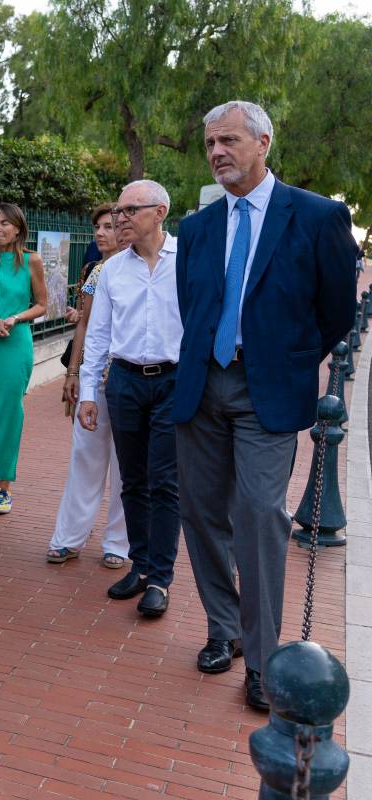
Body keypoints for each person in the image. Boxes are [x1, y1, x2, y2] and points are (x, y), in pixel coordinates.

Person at [172, 101, 358, 711]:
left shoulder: (317, 216)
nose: (218, 152)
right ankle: (222, 629)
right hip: (202, 386)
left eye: (228, 141)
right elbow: (192, 306)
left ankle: (261, 658)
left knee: (258, 514)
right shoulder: (197, 228)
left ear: (264, 143)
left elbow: (336, 309)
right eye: (209, 145)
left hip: (267, 390)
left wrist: (293, 358)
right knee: (200, 515)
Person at [78, 180, 181, 620]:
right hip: (124, 382)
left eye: (128, 210)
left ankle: (160, 577)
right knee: (132, 481)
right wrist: (87, 392)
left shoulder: (187, 261)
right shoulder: (113, 271)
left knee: (165, 482)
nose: (119, 219)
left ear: (158, 212)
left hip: (173, 383)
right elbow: (97, 335)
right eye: (117, 212)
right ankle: (140, 565)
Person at [48, 204, 128, 568]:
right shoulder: (97, 272)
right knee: (85, 457)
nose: (101, 233)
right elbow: (84, 325)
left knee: (126, 466)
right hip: (96, 379)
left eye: (109, 227)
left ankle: (118, 544)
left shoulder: (148, 268)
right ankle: (69, 538)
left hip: (131, 382)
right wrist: (73, 373)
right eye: (98, 227)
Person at [0, 203, 48, 514]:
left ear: (18, 228)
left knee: (9, 410)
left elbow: (42, 305)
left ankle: (4, 487)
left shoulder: (32, 261)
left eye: (5, 223)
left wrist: (15, 318)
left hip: (16, 344)